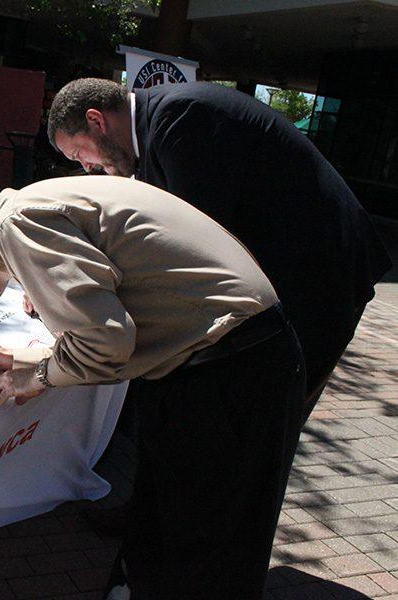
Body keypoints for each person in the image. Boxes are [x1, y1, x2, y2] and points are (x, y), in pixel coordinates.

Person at [0, 179, 305, 598]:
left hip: (230, 372)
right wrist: (23, 360)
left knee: (201, 541)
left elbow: (107, 343)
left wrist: (36, 378)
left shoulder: (16, 225)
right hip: (238, 359)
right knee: (190, 528)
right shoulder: (36, 202)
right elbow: (104, 320)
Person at [47, 78, 392, 421]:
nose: (86, 167)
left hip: (321, 272)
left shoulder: (182, 117)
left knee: (272, 413)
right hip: (293, 268)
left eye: (79, 153)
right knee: (253, 416)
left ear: (96, 121)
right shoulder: (156, 130)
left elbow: (185, 246)